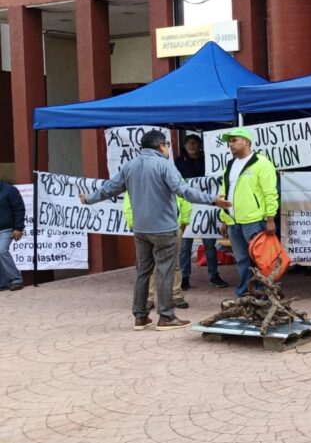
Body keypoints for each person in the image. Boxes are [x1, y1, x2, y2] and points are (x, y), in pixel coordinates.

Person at [79, 130, 230, 331]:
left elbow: (110, 188)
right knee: (165, 271)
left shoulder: (129, 166)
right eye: (167, 145)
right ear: (161, 146)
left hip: (141, 229)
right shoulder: (165, 165)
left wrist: (89, 199)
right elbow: (183, 191)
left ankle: (140, 317)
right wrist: (213, 200)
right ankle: (166, 317)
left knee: (143, 271)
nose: (168, 149)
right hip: (164, 228)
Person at [217, 128, 279, 297]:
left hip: (254, 220)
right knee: (242, 260)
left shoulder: (262, 163)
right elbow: (224, 191)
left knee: (260, 259)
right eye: (229, 141)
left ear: (246, 141)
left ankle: (264, 293)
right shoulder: (230, 164)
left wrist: (270, 218)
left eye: (234, 140)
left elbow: (270, 193)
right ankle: (246, 293)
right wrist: (224, 217)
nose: (231, 144)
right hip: (233, 221)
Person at [175, 134, 228, 289]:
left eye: (193, 143)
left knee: (209, 244)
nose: (190, 146)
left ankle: (213, 275)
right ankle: (184, 277)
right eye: (188, 143)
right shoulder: (178, 162)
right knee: (185, 245)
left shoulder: (209, 161)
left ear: (200, 146)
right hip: (186, 207)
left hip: (206, 208)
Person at [124, 191, 191, 309]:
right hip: (145, 228)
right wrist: (132, 224)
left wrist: (183, 223)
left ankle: (176, 295)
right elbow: (128, 203)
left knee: (174, 263)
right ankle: (148, 298)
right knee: (147, 266)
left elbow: (185, 198)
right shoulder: (135, 178)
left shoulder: (172, 175)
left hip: (172, 227)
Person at [0, 180, 26, 291]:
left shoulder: (9, 190)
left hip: (6, 229)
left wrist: (18, 228)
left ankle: (16, 279)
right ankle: (3, 283)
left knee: (1, 251)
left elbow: (19, 209)